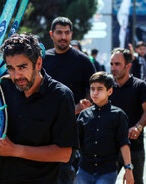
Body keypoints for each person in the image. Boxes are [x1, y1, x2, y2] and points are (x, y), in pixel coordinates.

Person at [0, 33, 78, 183]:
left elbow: (64, 153)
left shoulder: (60, 96)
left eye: (22, 67)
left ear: (38, 63)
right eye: (11, 68)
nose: (16, 75)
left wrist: (15, 150)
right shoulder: (2, 88)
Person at [42, 17, 96, 183]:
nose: (63, 36)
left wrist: (84, 105)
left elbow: (94, 91)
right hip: (43, 125)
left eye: (67, 33)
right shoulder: (42, 60)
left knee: (65, 171)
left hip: (72, 128)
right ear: (52, 34)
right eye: (59, 32)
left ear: (71, 34)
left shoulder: (83, 61)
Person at [77, 72, 134, 184]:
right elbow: (76, 143)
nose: (95, 93)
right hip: (84, 170)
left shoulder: (118, 115)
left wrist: (128, 169)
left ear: (110, 91)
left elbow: (124, 143)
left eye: (100, 89)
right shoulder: (84, 115)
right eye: (92, 89)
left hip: (107, 171)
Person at [109, 48, 146, 184]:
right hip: (110, 147)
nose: (113, 68)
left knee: (135, 182)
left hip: (134, 147)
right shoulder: (107, 86)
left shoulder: (140, 86)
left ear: (128, 66)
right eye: (111, 64)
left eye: (117, 64)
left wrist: (138, 127)